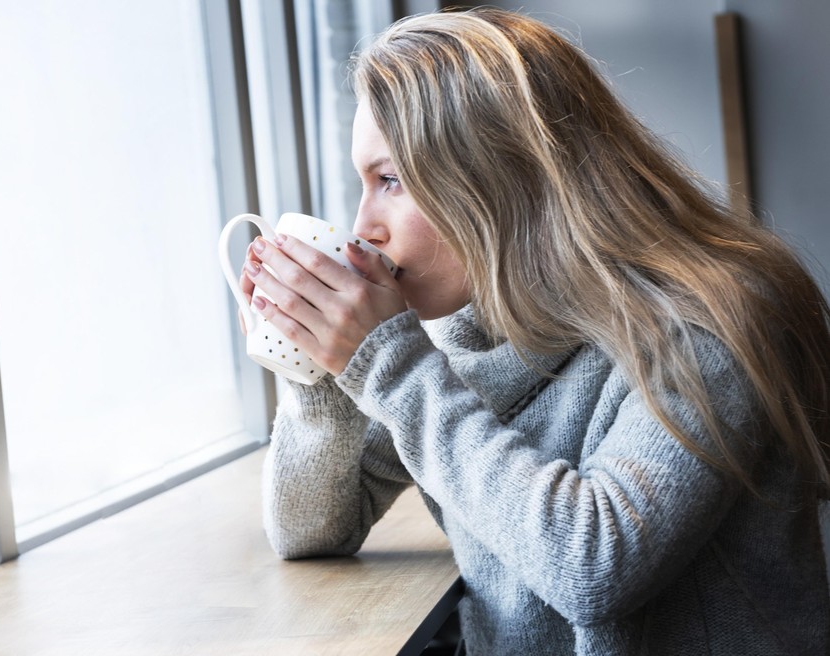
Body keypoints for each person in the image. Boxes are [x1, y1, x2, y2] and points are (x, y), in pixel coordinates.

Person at [237, 7, 830, 654]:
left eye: (391, 181)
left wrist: (384, 362)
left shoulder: (716, 319)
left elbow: (595, 569)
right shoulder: (472, 334)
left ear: (499, 173)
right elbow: (311, 529)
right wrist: (317, 367)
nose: (363, 224)